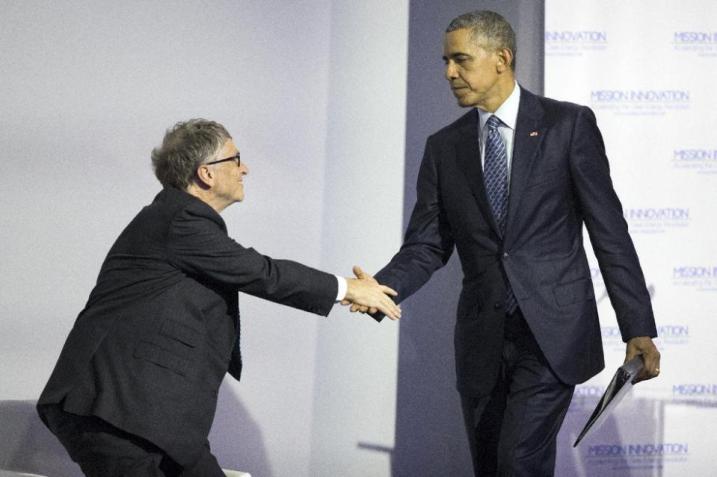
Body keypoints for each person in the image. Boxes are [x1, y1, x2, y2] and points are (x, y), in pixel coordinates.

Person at [351, 10, 661, 477]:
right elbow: (427, 244)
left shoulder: (568, 125)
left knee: (518, 462)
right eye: (445, 61)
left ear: (502, 58)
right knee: (493, 466)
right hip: (482, 341)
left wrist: (637, 326)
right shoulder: (444, 147)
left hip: (553, 333)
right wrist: (381, 287)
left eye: (460, 60)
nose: (448, 73)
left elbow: (609, 231)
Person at [36, 119, 401, 476]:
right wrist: (347, 288)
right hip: (117, 415)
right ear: (206, 173)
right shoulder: (180, 219)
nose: (245, 169)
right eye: (235, 159)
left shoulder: (176, 220)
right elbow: (261, 272)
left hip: (152, 421)